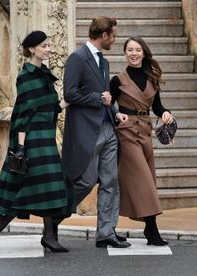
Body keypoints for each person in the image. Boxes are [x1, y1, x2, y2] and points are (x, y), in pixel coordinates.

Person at [0, 31, 71, 253]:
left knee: (47, 187)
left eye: (48, 45)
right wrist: (21, 148)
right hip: (33, 139)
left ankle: (43, 234)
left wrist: (67, 101)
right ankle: (7, 222)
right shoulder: (25, 77)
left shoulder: (45, 74)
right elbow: (23, 115)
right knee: (41, 185)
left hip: (47, 136)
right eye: (44, 46)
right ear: (33, 49)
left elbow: (50, 108)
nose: (48, 49)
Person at [61, 17, 131, 248]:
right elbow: (70, 94)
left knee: (111, 182)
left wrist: (114, 110)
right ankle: (55, 213)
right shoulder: (77, 58)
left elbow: (105, 96)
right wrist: (99, 99)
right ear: (104, 35)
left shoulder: (104, 61)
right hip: (87, 130)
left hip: (108, 127)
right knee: (86, 180)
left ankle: (106, 233)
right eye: (113, 35)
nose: (115, 39)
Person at [110, 36, 174, 246]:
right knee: (144, 181)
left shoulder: (152, 78)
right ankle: (152, 229)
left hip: (146, 132)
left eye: (137, 50)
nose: (134, 53)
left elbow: (158, 107)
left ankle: (146, 227)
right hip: (126, 133)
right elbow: (108, 107)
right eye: (130, 50)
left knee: (148, 181)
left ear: (144, 53)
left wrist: (166, 114)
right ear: (125, 53)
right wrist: (116, 115)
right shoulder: (117, 80)